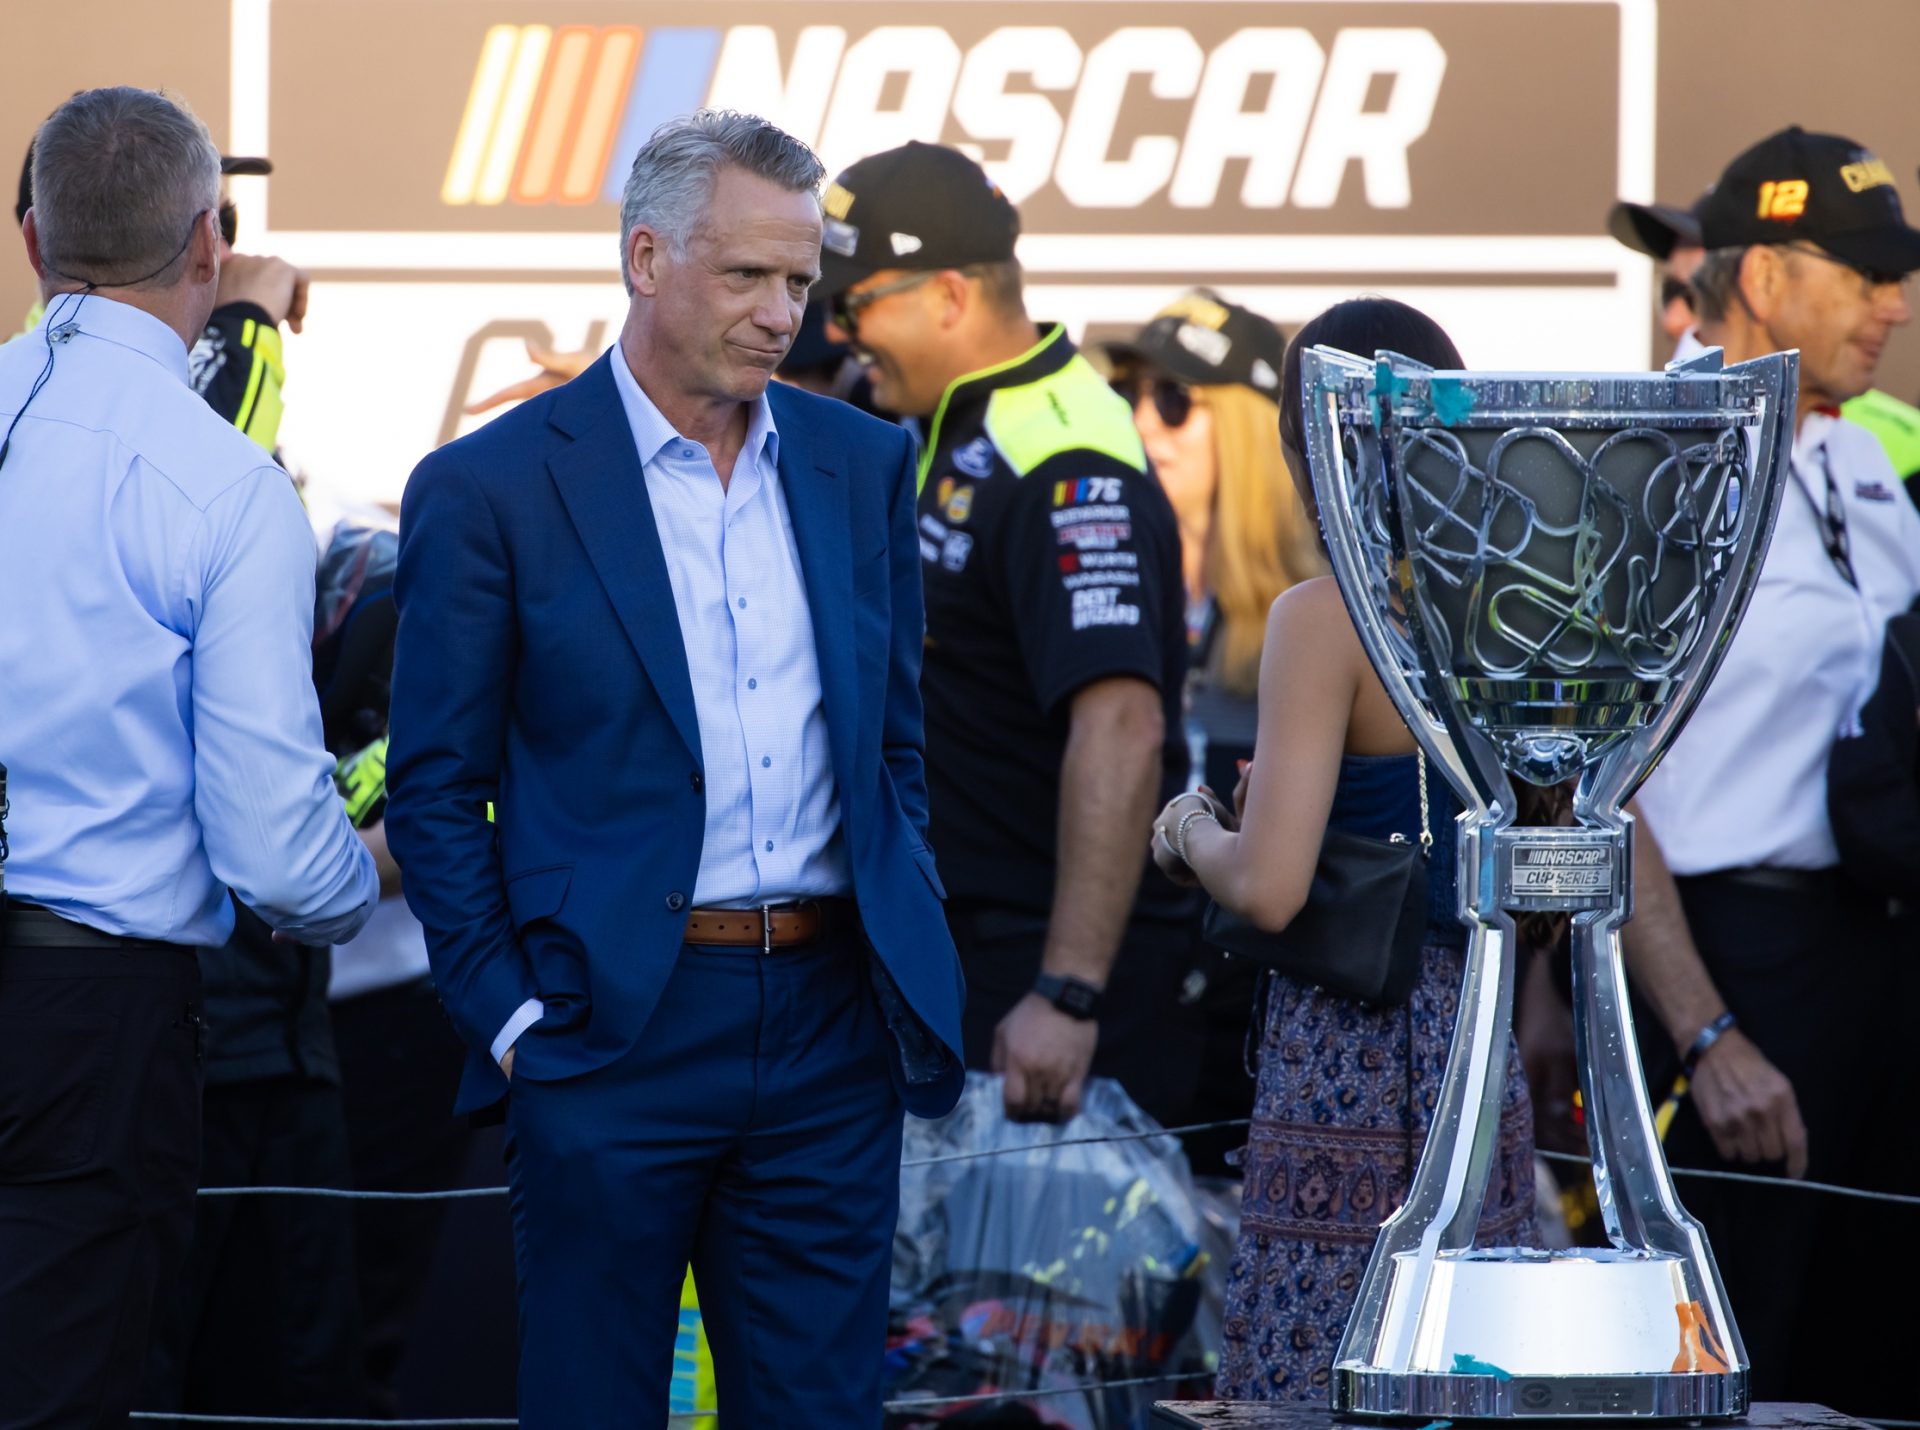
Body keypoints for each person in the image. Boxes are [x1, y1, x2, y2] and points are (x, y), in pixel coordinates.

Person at [384, 110, 963, 1428]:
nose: (782, 314)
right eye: (747, 275)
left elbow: (891, 747)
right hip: (606, 1032)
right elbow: (432, 788)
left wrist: (895, 935)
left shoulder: (861, 463)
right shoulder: (491, 487)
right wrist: (517, 1021)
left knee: (819, 1410)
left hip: (830, 1025)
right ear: (645, 257)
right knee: (593, 1403)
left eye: (802, 281)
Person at [0, 86, 377, 1429]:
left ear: (34, 240)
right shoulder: (222, 486)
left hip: (83, 1008)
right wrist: (364, 869)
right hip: (89, 1023)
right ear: (210, 245)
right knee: (65, 1390)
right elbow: (281, 851)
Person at [1147, 297, 1539, 1401]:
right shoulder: (1513, 601)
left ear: (1307, 446)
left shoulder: (1325, 619)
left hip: (1348, 1045)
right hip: (1475, 1022)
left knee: (1322, 1372)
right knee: (1472, 1359)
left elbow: (1268, 888)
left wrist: (1188, 830)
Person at [817, 140, 1200, 1129]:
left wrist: (1067, 990)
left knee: (1025, 1288)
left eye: (852, 305)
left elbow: (1120, 725)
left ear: (948, 296)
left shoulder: (1064, 452)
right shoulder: (942, 418)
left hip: (1042, 974)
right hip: (962, 947)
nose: (834, 331)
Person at [1629, 125, 1920, 1403]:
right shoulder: (1648, 461)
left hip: (1883, 961)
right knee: (1732, 1367)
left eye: (1895, 272)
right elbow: (1590, 785)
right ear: (1761, 277)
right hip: (1729, 967)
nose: (1894, 302)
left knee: (1875, 1359)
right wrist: (1711, 1032)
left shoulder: (1866, 454)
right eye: (1862, 271)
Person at [1101, 289, 1326, 1173]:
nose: (1144, 423)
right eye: (1133, 395)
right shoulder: (1107, 576)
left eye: (1174, 400)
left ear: (1244, 426)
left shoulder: (1311, 612)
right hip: (1130, 995)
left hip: (1263, 1012)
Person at [17, 141, 307, 449]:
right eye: (210, 230)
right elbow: (210, 475)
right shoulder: (49, 386)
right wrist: (247, 324)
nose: (220, 253)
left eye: (226, 223)